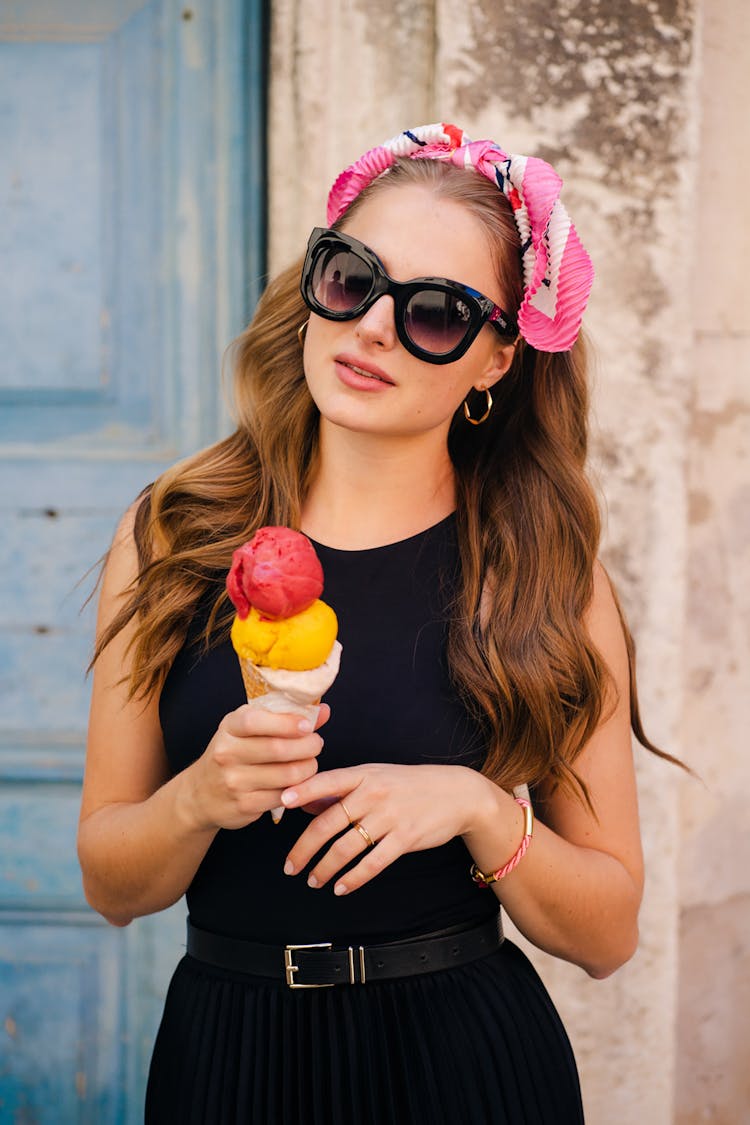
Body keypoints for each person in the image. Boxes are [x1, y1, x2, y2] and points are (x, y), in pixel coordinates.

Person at [78, 123, 671, 1124]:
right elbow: (111, 882)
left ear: (495, 359)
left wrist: (484, 812)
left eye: (436, 312)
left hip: (464, 1067)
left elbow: (608, 932)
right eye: (353, 277)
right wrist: (200, 798)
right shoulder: (175, 533)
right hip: (231, 1060)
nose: (375, 328)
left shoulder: (540, 578)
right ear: (314, 283)